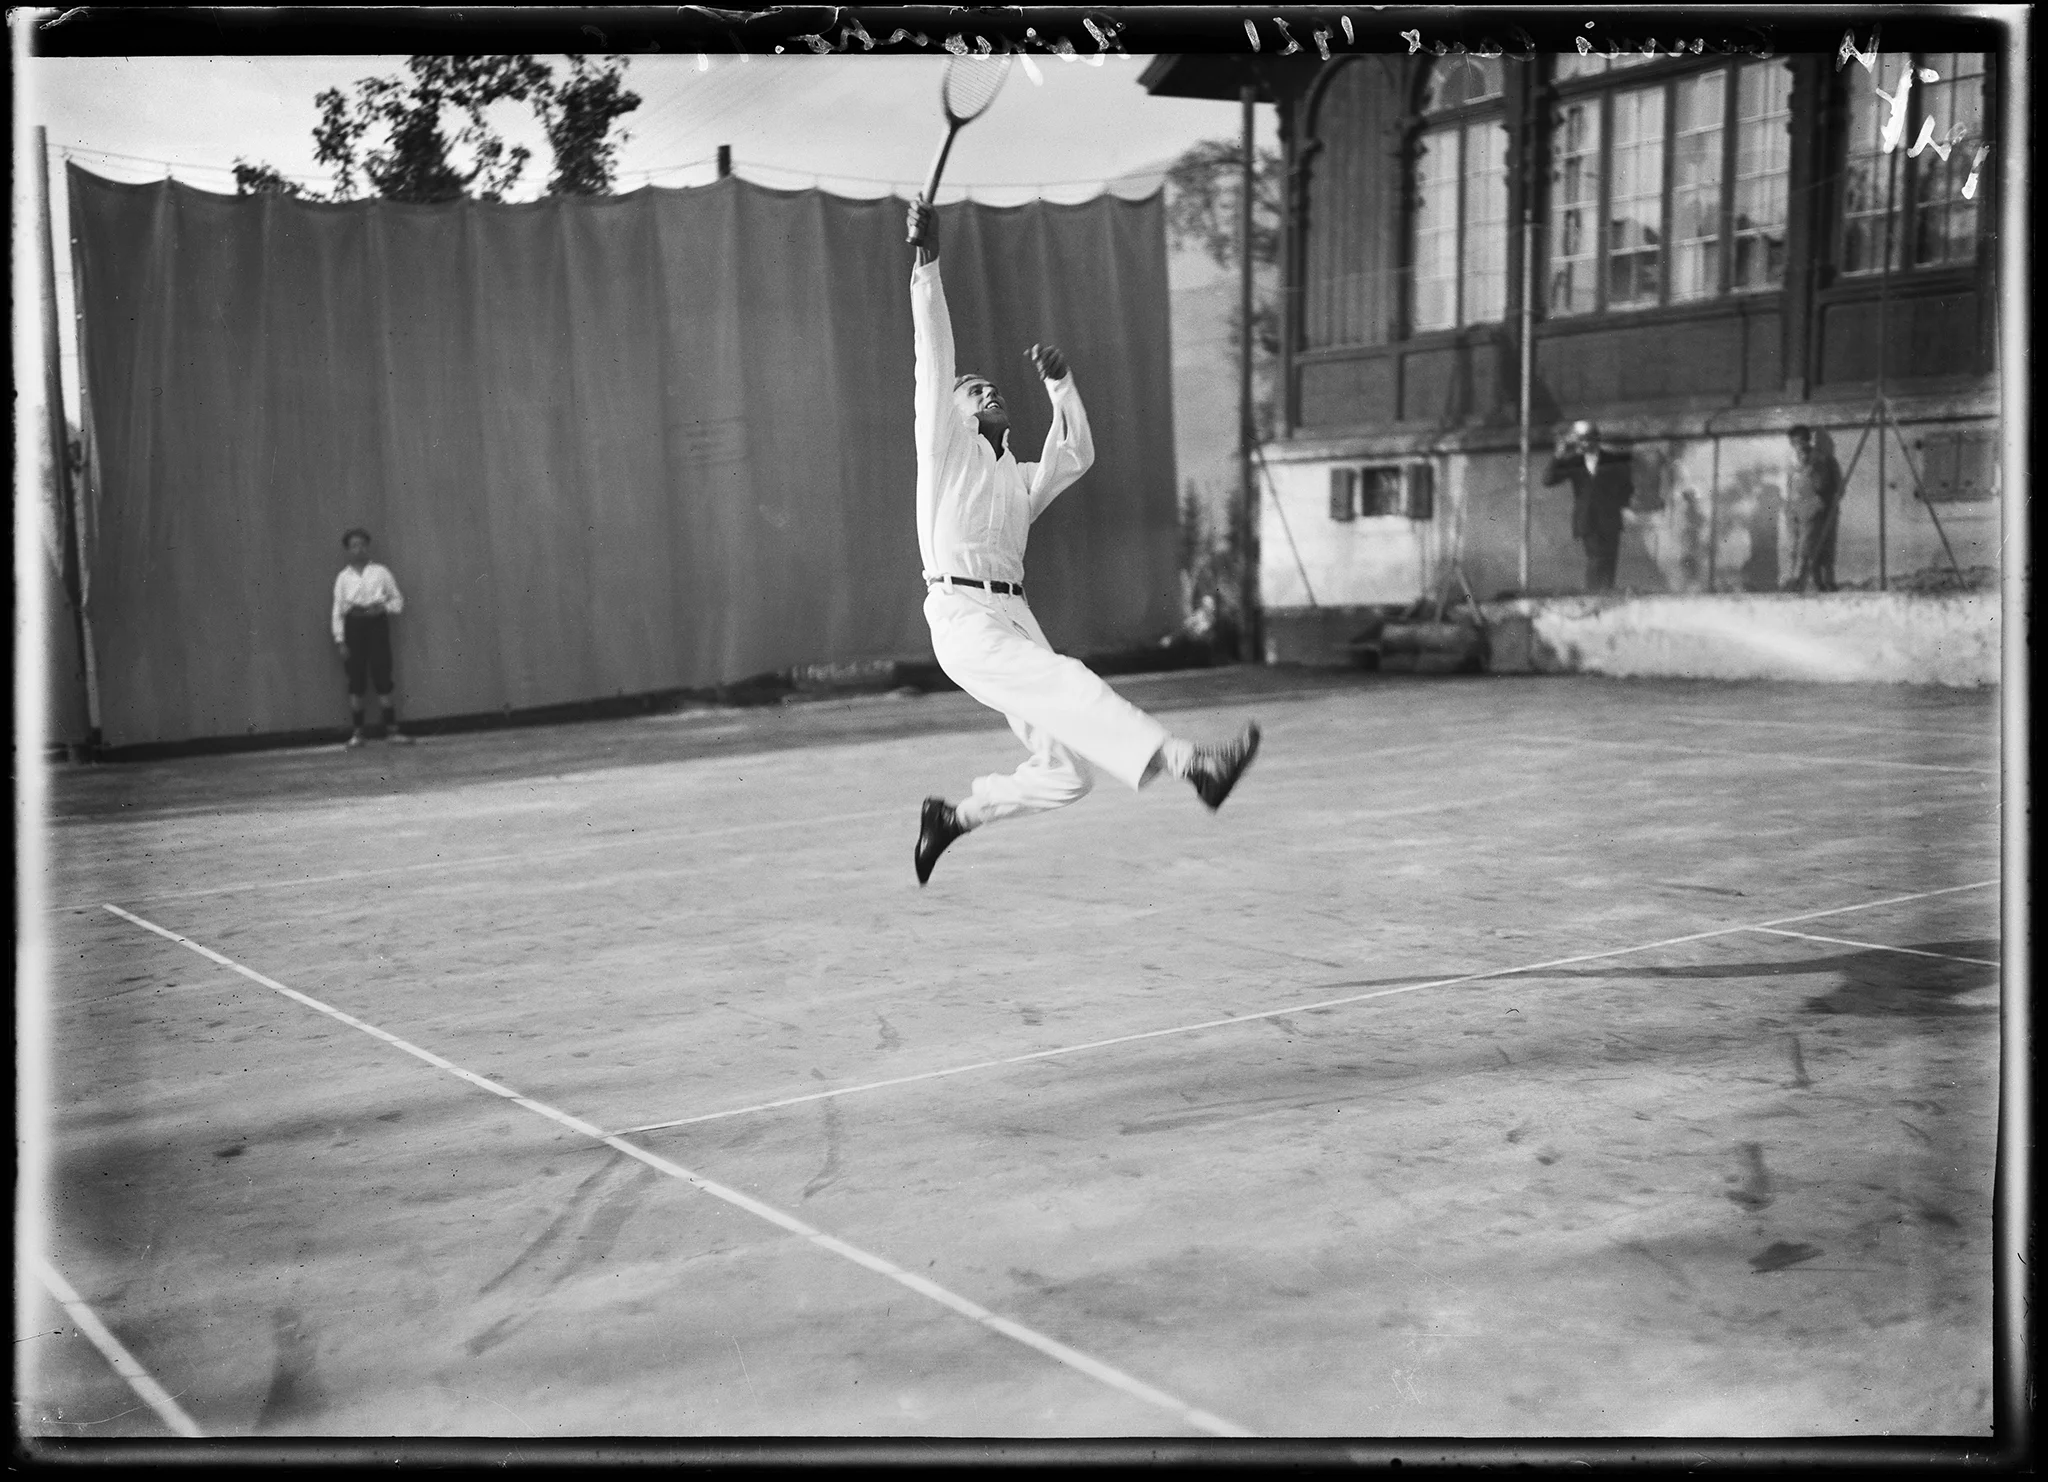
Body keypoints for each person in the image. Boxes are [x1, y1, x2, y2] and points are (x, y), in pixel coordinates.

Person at [904, 199, 1259, 886]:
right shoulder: (943, 452)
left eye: (992, 387)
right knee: (1070, 681)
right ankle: (1196, 767)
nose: (988, 392)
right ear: (950, 413)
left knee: (1068, 777)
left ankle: (954, 818)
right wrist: (927, 263)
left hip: (1013, 616)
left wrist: (1060, 385)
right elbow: (934, 357)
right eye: (974, 391)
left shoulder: (1017, 476)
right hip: (962, 620)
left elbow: (1076, 453)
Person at [331, 527, 413, 747]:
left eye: (362, 544)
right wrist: (340, 640)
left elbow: (398, 601)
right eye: (354, 545)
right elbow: (338, 611)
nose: (359, 549)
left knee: (382, 674)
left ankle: (392, 730)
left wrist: (383, 608)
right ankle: (358, 733)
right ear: (348, 550)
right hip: (353, 627)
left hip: (377, 624)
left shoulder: (381, 572)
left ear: (368, 546)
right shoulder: (343, 578)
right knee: (356, 679)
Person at [1542, 419, 1635, 592]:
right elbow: (1548, 480)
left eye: (1585, 438)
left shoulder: (1612, 460)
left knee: (1609, 560)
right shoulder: (1574, 462)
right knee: (1596, 558)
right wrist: (1557, 456)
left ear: (1596, 439)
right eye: (1579, 439)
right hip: (1587, 519)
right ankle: (1591, 594)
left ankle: (1606, 595)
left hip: (1610, 519)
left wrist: (1621, 505)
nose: (1582, 443)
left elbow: (1626, 487)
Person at [1785, 425, 1844, 593]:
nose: (1796, 445)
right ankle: (1801, 582)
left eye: (1799, 440)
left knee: (1815, 549)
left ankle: (1812, 583)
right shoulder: (1792, 461)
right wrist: (1790, 508)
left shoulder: (1822, 460)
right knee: (1796, 549)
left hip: (1816, 511)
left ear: (1807, 440)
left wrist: (1821, 504)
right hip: (1797, 512)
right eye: (1793, 442)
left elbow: (1830, 486)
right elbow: (1790, 487)